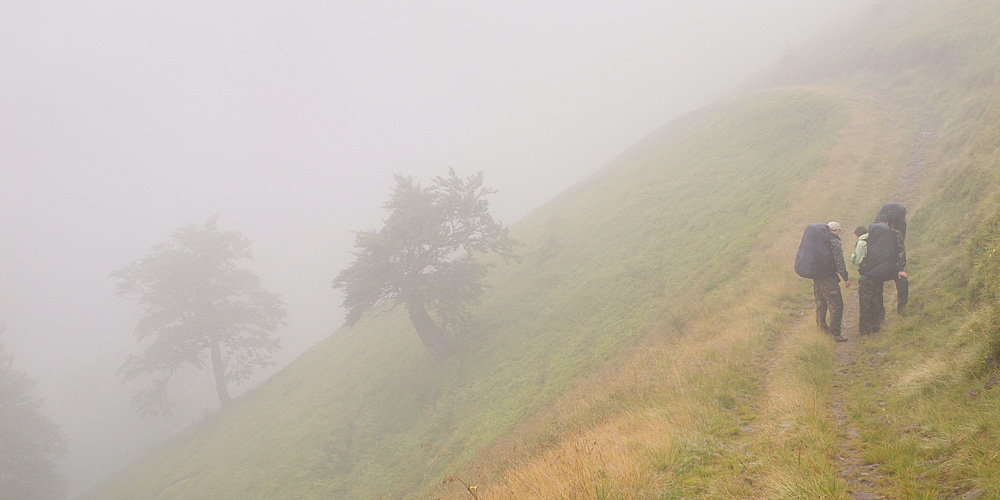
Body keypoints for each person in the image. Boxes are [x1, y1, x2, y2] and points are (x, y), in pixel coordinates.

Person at [858, 217, 907, 334]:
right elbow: (900, 250)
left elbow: (859, 257)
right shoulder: (892, 234)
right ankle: (877, 324)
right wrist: (900, 268)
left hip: (868, 273)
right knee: (877, 298)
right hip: (883, 271)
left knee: (865, 301)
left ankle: (864, 328)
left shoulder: (868, 237)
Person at [814, 221, 850, 342]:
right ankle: (835, 333)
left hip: (817, 276)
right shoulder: (834, 242)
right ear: (837, 230)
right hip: (828, 277)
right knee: (836, 304)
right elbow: (839, 261)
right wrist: (845, 277)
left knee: (821, 303)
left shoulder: (819, 241)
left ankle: (822, 329)